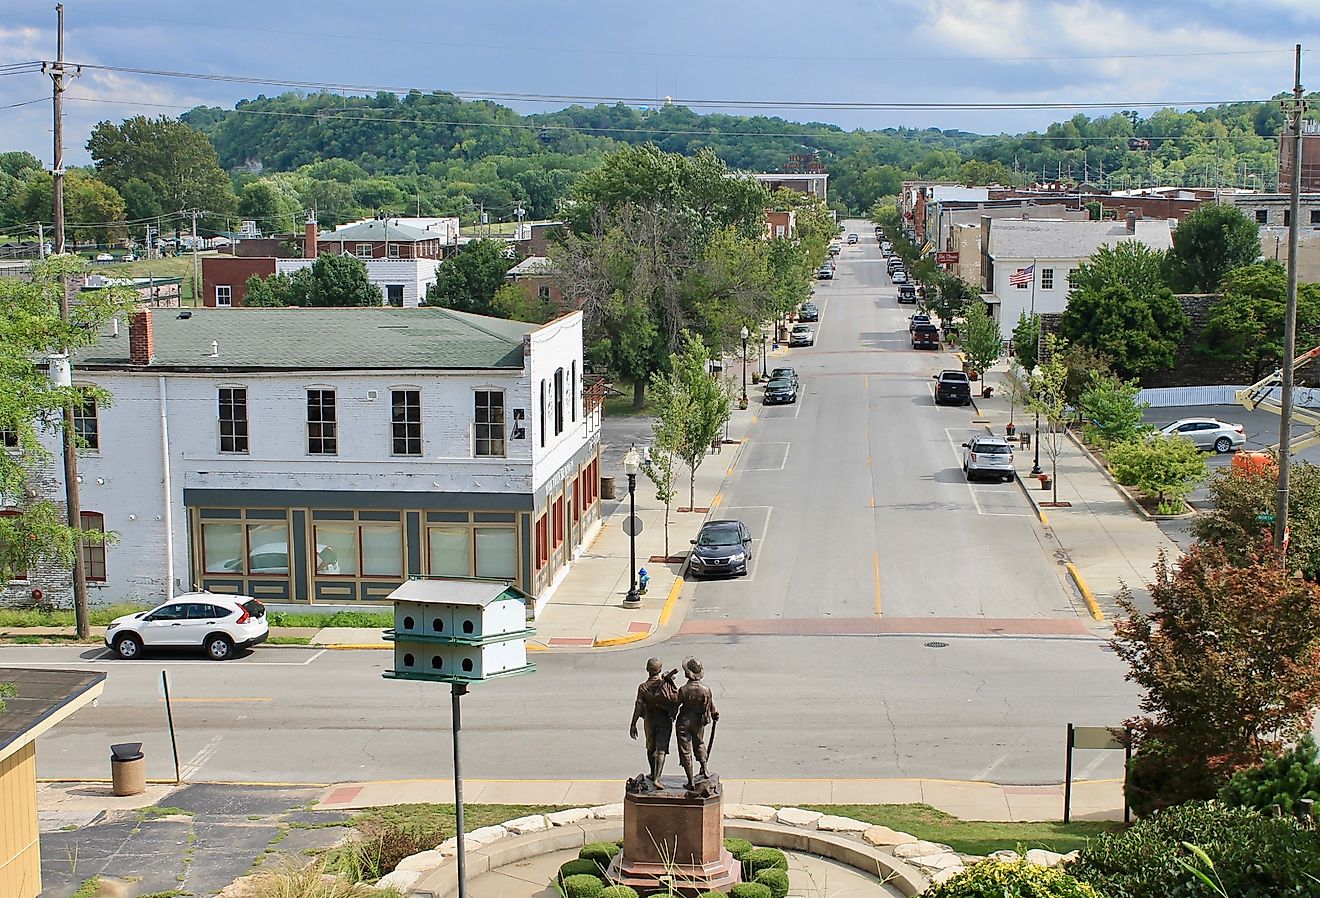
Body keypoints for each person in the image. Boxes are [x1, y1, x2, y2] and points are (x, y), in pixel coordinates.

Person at [629, 658, 679, 788]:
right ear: (660, 670)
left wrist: (633, 724)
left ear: (647, 669)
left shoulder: (643, 687)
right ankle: (657, 778)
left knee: (650, 747)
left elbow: (638, 706)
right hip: (664, 720)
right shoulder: (665, 685)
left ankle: (652, 772)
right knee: (661, 750)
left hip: (649, 720)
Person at [675, 658, 719, 790]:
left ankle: (690, 780)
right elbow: (711, 707)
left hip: (684, 722)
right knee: (699, 744)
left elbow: (675, 705)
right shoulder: (706, 690)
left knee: (685, 750)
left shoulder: (683, 690)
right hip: (698, 723)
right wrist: (715, 714)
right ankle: (704, 769)